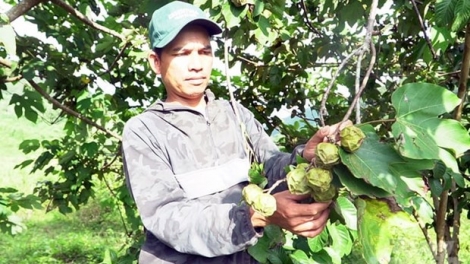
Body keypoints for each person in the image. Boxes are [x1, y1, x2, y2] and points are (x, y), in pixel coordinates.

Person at [121, 1, 349, 263]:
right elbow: (167, 217)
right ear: (156, 62)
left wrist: (304, 157)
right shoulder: (144, 130)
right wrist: (257, 216)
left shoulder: (235, 114)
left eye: (204, 52)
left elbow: (271, 168)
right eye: (182, 53)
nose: (196, 64)